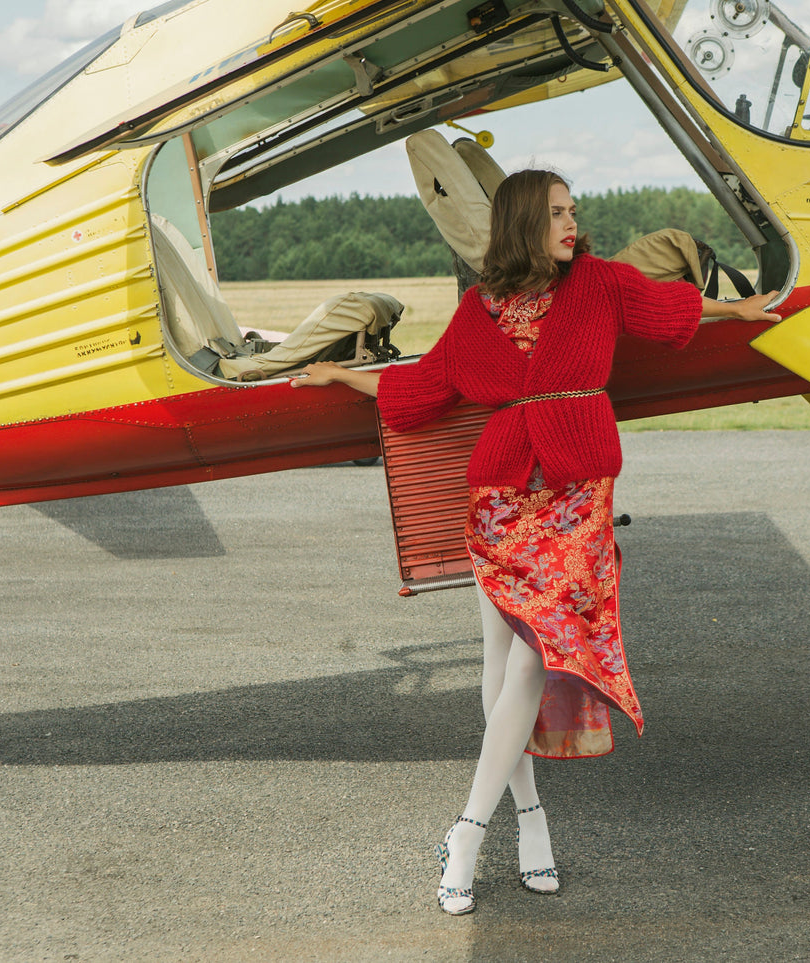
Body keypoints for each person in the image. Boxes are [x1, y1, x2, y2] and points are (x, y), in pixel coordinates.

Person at [292, 169, 781, 915]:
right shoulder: (475, 311)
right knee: (500, 663)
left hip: (576, 493)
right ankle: (531, 822)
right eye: (556, 212)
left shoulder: (600, 284)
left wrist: (739, 308)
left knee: (533, 655)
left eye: (572, 210)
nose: (571, 222)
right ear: (524, 221)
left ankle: (466, 830)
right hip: (498, 497)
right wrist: (342, 376)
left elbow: (673, 308)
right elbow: (420, 388)